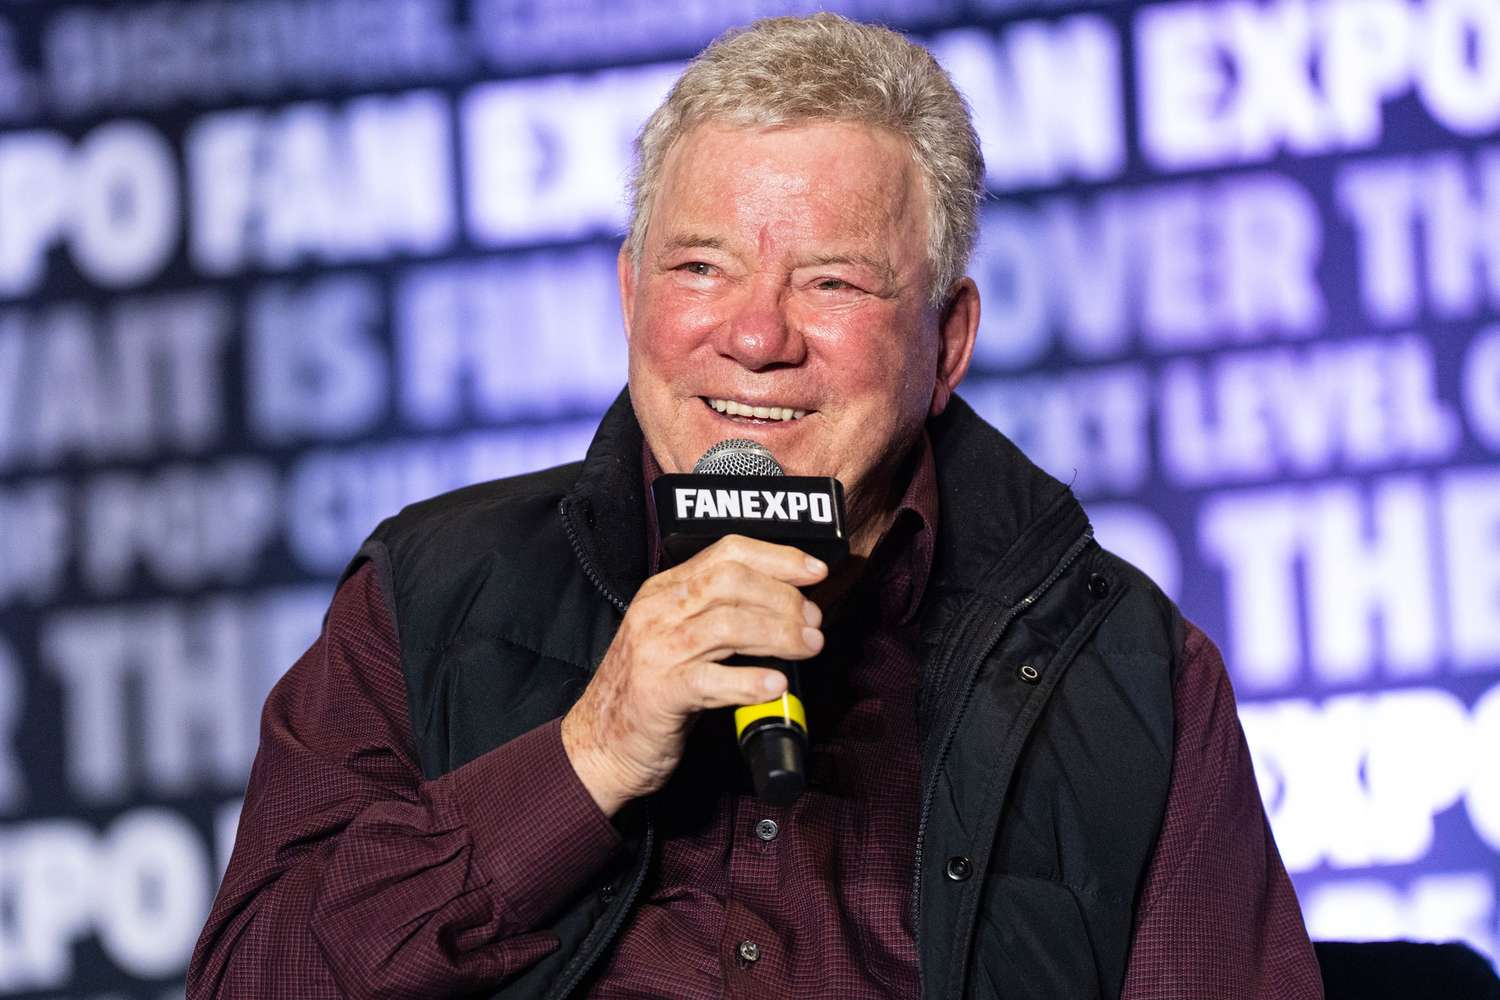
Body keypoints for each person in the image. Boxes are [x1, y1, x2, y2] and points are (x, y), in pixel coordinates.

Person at [189, 13, 1323, 999]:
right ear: (630, 293)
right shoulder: (426, 596)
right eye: (700, 268)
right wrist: (586, 758)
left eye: (832, 281)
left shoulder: (1128, 671)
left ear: (948, 342)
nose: (756, 335)